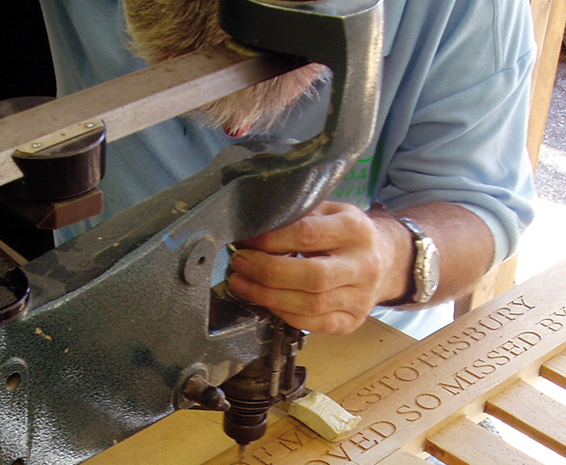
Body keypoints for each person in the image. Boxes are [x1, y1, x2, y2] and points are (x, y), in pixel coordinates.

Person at [38, 0, 536, 339]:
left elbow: (481, 204)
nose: (242, 128)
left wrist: (390, 256)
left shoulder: (470, 9)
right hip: (104, 323)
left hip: (355, 353)